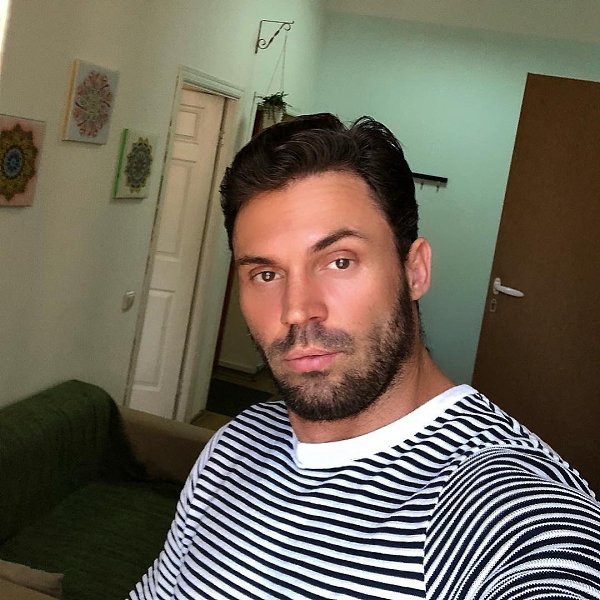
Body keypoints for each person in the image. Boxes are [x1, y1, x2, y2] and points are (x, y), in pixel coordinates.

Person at [130, 114, 600, 599]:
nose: (296, 310)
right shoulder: (235, 445)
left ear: (414, 271)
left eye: (339, 261)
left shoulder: (507, 511)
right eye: (266, 274)